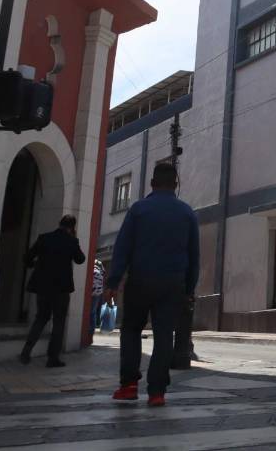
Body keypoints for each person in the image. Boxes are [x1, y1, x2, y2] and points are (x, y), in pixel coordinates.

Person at [106, 162, 199, 408]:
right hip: (172, 284)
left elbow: (122, 248)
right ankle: (157, 391)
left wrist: (113, 281)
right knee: (164, 335)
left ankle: (128, 386)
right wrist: (189, 289)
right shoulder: (187, 213)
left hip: (140, 280)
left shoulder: (138, 210)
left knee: (131, 330)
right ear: (175, 185)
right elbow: (194, 256)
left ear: (151, 183)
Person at [19, 214, 86, 367]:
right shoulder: (71, 241)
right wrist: (75, 241)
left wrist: (33, 265)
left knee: (41, 318)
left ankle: (26, 351)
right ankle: (52, 358)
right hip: (61, 288)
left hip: (43, 286)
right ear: (72, 227)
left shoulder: (44, 238)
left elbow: (28, 256)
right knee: (59, 322)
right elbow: (80, 259)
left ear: (59, 223)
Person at [90, 260, 106, 334]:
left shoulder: (92, 270)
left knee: (90, 312)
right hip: (98, 293)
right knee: (93, 312)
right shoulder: (101, 272)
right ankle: (91, 330)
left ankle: (89, 329)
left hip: (91, 291)